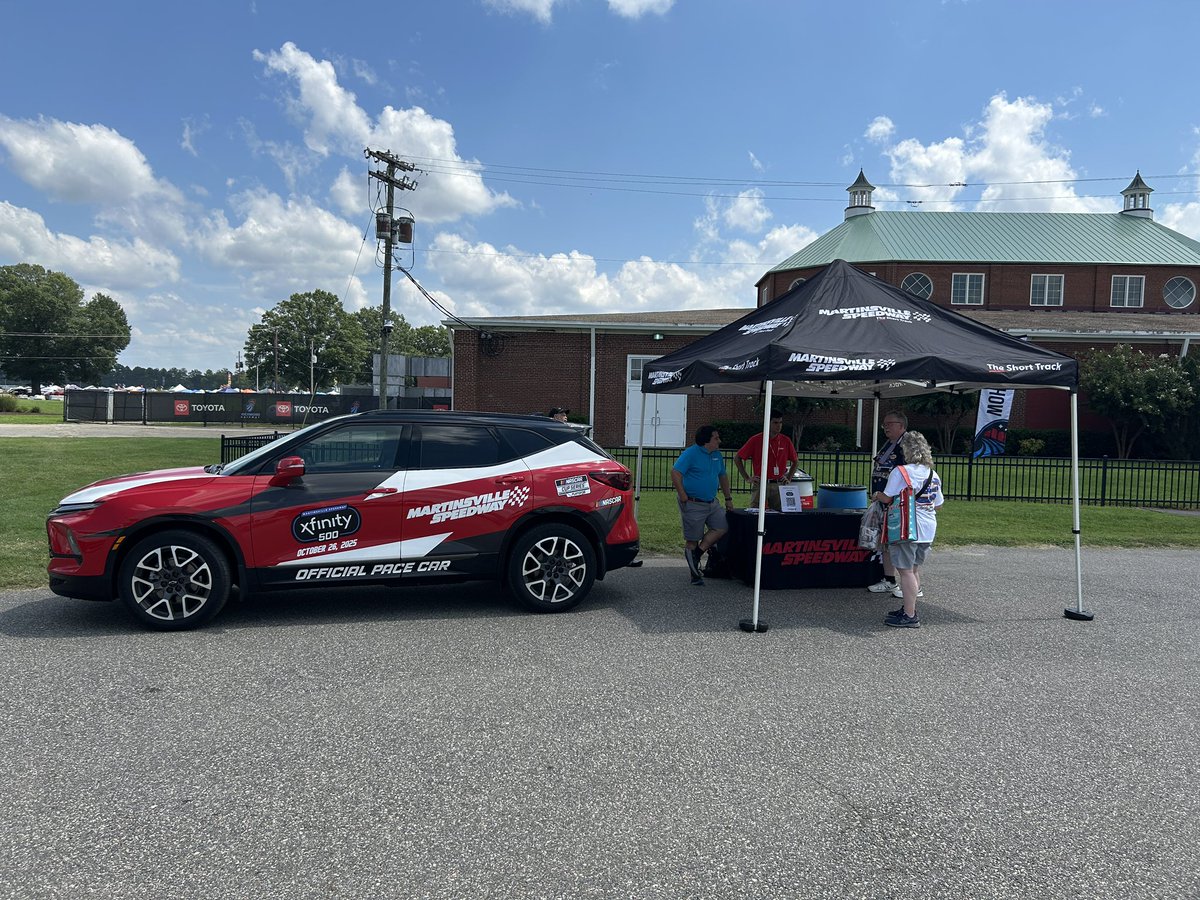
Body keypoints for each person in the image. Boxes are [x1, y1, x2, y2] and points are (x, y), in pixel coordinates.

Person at [873, 430, 944, 628]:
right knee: (913, 570)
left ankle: (910, 615)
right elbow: (938, 503)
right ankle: (908, 608)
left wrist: (877, 494)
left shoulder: (901, 472)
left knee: (904, 572)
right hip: (928, 527)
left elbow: (887, 497)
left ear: (906, 451)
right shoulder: (933, 474)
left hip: (907, 527)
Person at [671, 425, 734, 586]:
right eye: (716, 438)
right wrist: (683, 495)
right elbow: (676, 472)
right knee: (692, 539)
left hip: (712, 502)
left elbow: (723, 476)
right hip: (693, 503)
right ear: (706, 440)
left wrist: (728, 498)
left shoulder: (717, 455)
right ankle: (695, 575)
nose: (719, 440)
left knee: (722, 527)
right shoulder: (691, 453)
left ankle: (697, 554)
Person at [866, 411, 907, 595]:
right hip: (882, 501)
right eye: (884, 424)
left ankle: (911, 583)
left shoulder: (906, 446)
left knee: (899, 545)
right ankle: (890, 580)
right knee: (885, 544)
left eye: (890, 424)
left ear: (902, 426)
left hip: (897, 504)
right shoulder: (888, 444)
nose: (886, 427)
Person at [735, 411, 802, 511]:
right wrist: (747, 478)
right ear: (768, 423)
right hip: (761, 483)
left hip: (779, 484)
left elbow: (795, 461)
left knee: (779, 514)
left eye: (780, 423)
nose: (778, 426)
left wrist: (789, 477)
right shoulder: (756, 440)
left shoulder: (785, 440)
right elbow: (737, 458)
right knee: (755, 513)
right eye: (775, 423)